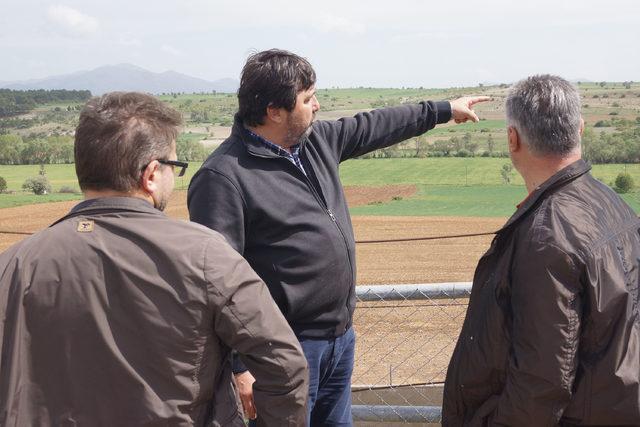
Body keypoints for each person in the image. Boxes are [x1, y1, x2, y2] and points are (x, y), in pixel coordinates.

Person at [187, 49, 489, 426]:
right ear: (274, 111)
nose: (317, 105)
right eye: (307, 98)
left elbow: (376, 124)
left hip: (339, 340)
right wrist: (238, 367)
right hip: (281, 352)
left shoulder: (316, 142)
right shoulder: (224, 178)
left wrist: (443, 110)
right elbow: (215, 283)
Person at [0, 92, 308, 426]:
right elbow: (285, 366)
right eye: (174, 167)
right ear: (150, 174)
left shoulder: (14, 266)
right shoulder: (206, 256)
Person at [442, 75, 640, 426]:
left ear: (512, 139)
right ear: (579, 129)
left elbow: (541, 381)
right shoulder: (613, 204)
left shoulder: (547, 236)